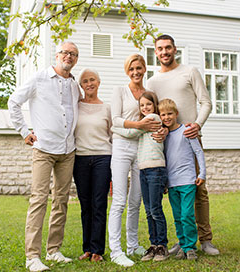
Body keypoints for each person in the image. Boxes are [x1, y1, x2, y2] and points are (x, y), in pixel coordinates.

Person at [8, 41, 81, 272]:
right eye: (65, 52)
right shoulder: (39, 78)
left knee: (61, 201)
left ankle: (54, 251)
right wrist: (23, 131)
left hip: (68, 150)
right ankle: (32, 256)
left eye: (73, 54)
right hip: (43, 148)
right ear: (57, 55)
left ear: (76, 59)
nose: (68, 56)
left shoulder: (74, 85)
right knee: (39, 200)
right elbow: (14, 102)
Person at [147, 34, 220, 256]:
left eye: (168, 48)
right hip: (166, 144)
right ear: (155, 52)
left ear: (175, 49)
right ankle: (182, 240)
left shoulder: (190, 72)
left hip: (189, 139)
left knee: (198, 189)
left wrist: (197, 125)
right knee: (175, 192)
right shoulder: (152, 81)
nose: (164, 52)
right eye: (160, 49)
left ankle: (205, 240)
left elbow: (206, 102)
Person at [108, 54, 161, 267]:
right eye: (132, 69)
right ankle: (116, 251)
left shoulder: (149, 94)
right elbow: (116, 120)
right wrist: (138, 125)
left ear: (144, 69)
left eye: (139, 68)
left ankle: (132, 245)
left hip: (142, 148)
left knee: (135, 200)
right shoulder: (120, 91)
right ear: (126, 70)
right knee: (119, 200)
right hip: (121, 146)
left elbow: (156, 119)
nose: (136, 72)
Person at [111, 91, 169, 262]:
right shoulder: (145, 121)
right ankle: (153, 245)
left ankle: (162, 246)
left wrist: (113, 126)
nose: (145, 108)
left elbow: (130, 133)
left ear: (155, 105)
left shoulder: (152, 119)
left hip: (155, 168)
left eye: (148, 104)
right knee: (149, 209)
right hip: (144, 168)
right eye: (142, 105)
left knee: (156, 210)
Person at [159, 98, 206, 260]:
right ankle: (183, 244)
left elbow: (198, 152)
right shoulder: (163, 137)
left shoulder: (186, 131)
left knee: (187, 215)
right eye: (163, 115)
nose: (166, 117)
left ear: (176, 114)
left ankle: (190, 247)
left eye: (169, 114)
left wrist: (202, 174)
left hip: (187, 181)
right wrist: (164, 182)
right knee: (178, 216)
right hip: (172, 183)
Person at [73, 68, 112, 262]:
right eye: (85, 81)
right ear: (81, 85)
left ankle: (97, 250)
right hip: (80, 158)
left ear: (99, 82)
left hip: (103, 158)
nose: (89, 83)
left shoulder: (107, 108)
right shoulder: (75, 106)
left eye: (92, 80)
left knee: (99, 204)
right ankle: (87, 248)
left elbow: (112, 135)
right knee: (85, 205)